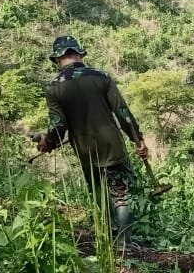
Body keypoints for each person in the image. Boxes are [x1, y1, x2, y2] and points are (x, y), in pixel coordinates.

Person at [37, 35, 147, 246]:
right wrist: (137, 139)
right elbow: (122, 112)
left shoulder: (54, 87)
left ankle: (107, 239)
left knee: (99, 193)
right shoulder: (101, 77)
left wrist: (47, 142)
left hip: (86, 151)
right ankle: (124, 243)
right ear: (79, 54)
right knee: (120, 195)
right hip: (112, 146)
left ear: (57, 59)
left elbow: (59, 126)